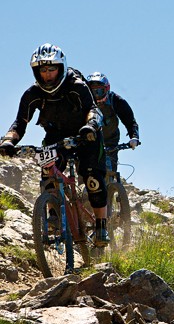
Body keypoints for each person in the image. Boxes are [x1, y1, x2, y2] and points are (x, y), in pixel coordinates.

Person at [0, 43, 109, 247]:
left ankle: (101, 225)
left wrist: (91, 126)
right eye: (43, 70)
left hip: (86, 135)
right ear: (36, 71)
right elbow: (19, 123)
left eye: (52, 69)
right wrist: (8, 141)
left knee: (93, 178)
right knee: (48, 173)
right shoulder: (32, 93)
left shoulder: (76, 85)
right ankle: (53, 216)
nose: (48, 75)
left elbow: (93, 110)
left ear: (61, 67)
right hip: (55, 137)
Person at [86, 72, 139, 172]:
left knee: (110, 170)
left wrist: (134, 137)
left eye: (99, 91)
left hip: (111, 141)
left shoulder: (116, 100)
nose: (96, 95)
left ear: (107, 89)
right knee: (86, 171)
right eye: (93, 92)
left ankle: (113, 185)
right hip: (89, 141)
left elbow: (130, 121)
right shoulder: (83, 102)